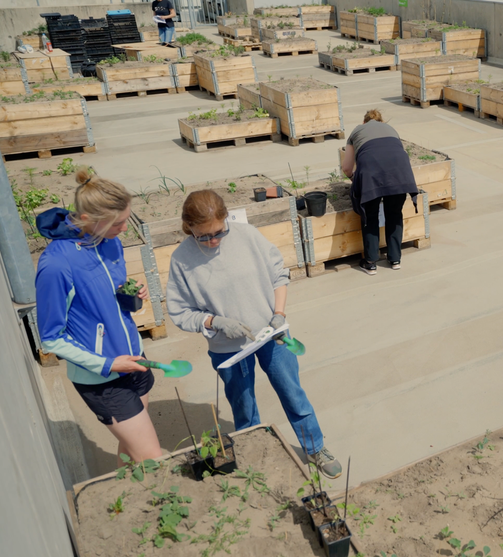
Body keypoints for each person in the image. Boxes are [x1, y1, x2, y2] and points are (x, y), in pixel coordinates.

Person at [166, 191, 342, 479]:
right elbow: (180, 312)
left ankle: (315, 446)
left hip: (271, 336)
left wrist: (279, 315)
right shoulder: (181, 260)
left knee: (293, 394)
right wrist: (214, 321)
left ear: (226, 220)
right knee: (244, 407)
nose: (213, 241)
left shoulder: (247, 236)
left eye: (219, 233)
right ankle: (259, 454)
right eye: (203, 236)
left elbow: (278, 274)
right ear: (189, 228)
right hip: (228, 349)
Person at [35, 169, 163, 464]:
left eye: (126, 219)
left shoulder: (109, 240)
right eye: (117, 224)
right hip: (102, 380)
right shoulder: (56, 266)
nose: (124, 229)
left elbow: (110, 293)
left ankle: (124, 506)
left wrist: (132, 295)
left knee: (133, 451)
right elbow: (51, 338)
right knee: (153, 459)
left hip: (134, 359)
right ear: (86, 220)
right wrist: (106, 363)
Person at [340, 109, 419, 276]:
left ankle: (370, 262)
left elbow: (346, 168)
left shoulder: (356, 131)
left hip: (371, 174)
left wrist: (356, 180)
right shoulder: (391, 130)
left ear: (364, 122)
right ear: (381, 121)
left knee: (369, 216)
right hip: (400, 174)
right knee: (394, 213)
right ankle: (395, 259)